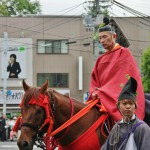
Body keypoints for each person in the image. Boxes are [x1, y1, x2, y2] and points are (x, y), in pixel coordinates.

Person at [89, 19, 145, 122]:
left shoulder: (124, 53)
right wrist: (94, 92)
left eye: (105, 37)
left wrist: (102, 92)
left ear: (114, 36)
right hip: (101, 98)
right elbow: (94, 81)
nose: (102, 41)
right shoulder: (100, 59)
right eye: (100, 38)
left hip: (117, 97)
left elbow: (125, 79)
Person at [101, 77, 150, 150]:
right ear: (118, 106)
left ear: (135, 106)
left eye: (131, 103)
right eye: (124, 103)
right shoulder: (116, 128)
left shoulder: (143, 128)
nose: (128, 106)